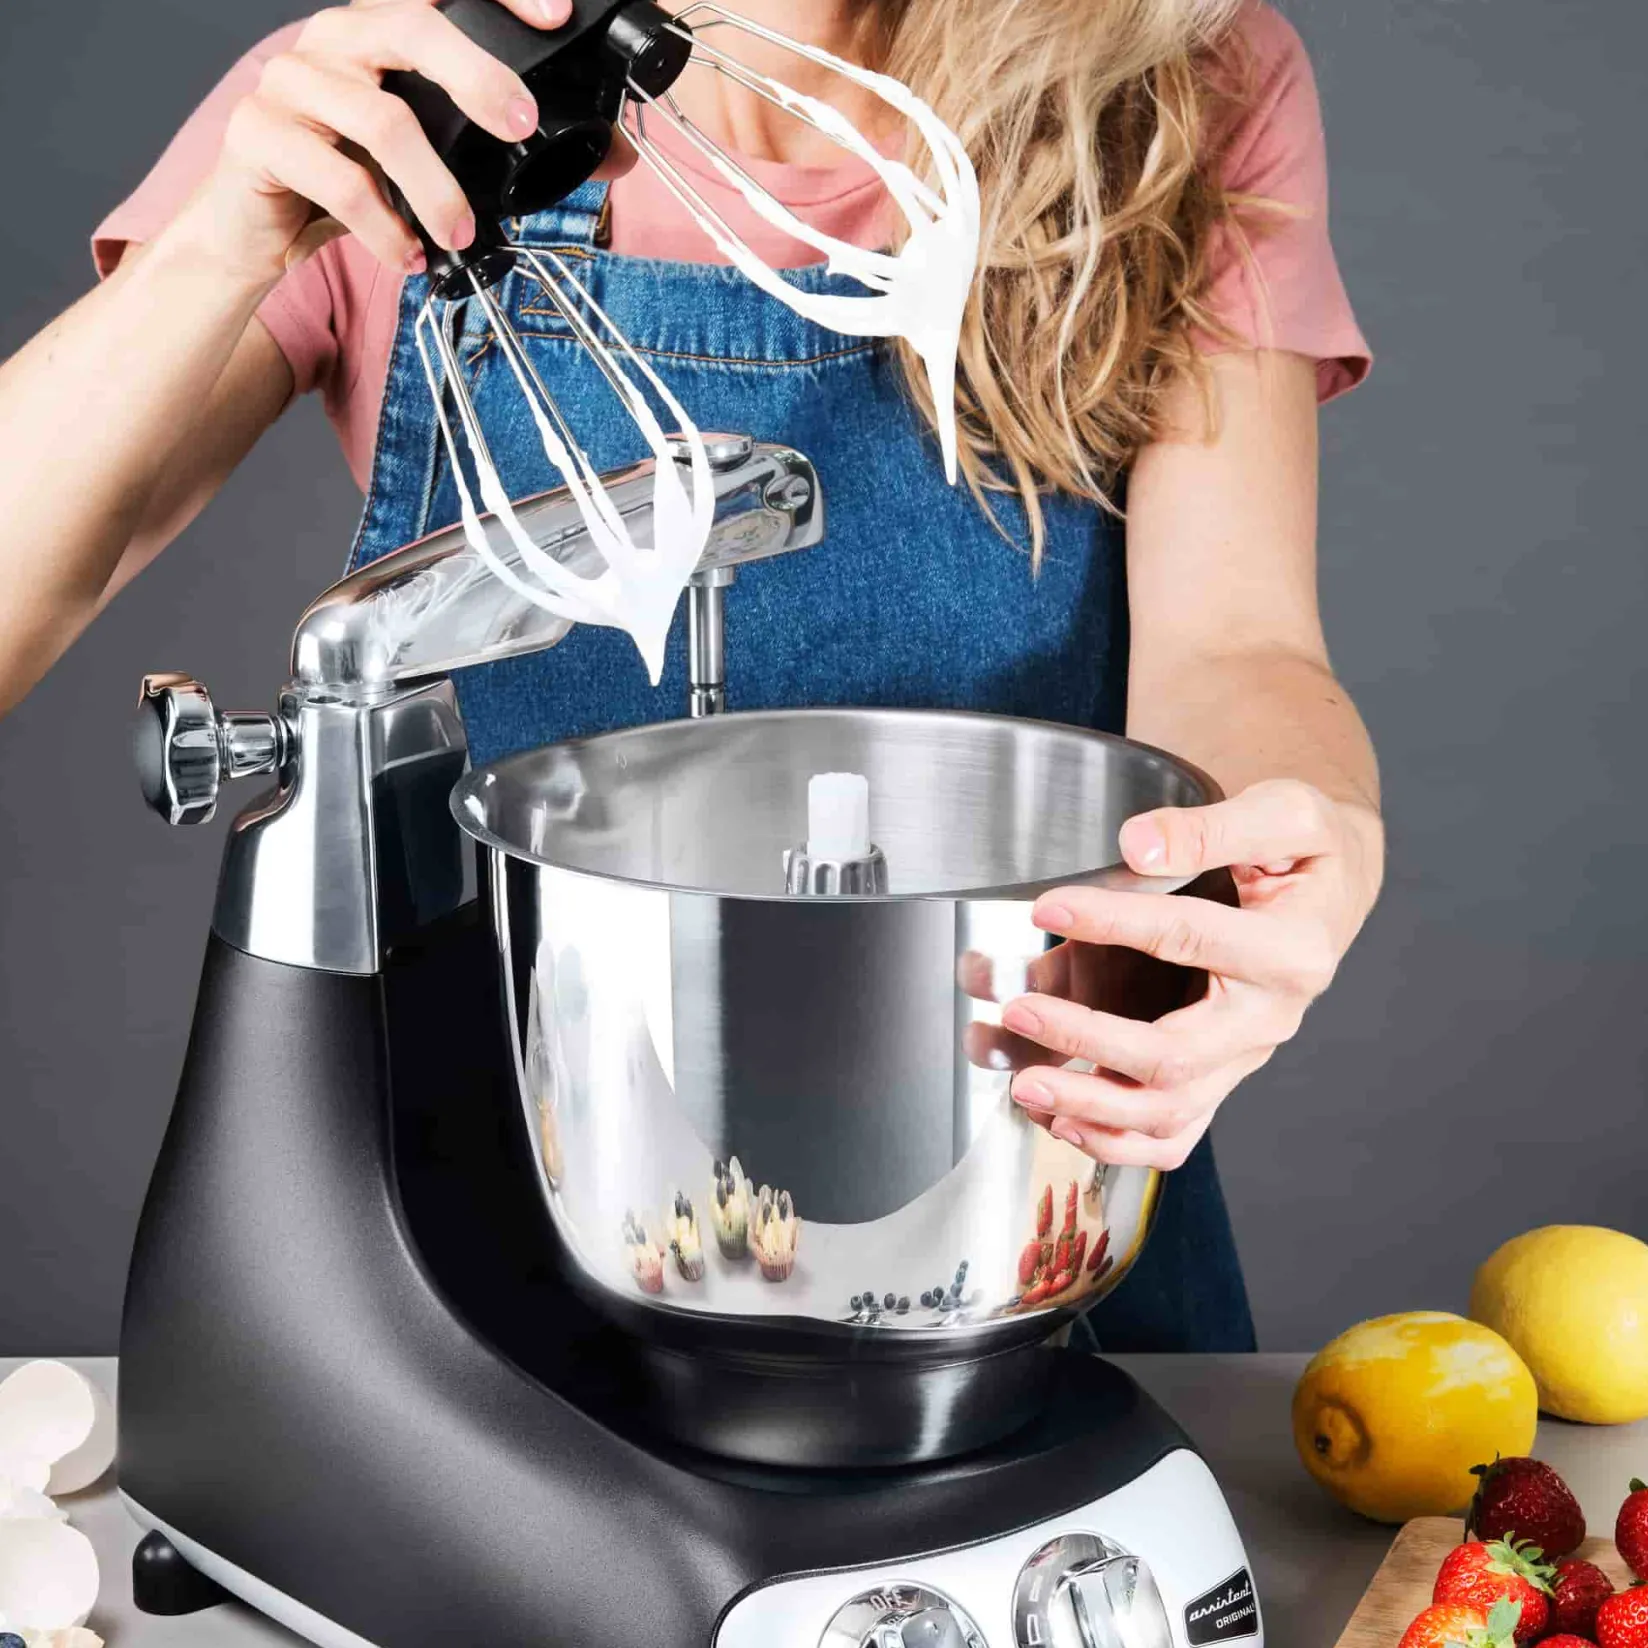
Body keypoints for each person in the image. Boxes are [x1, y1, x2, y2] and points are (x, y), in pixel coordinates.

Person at [0, 0, 1383, 1351]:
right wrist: (222, 242)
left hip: (1033, 1195)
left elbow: (1235, 641)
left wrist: (1297, 838)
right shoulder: (393, 105)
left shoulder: (1173, 75)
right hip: (516, 1222)